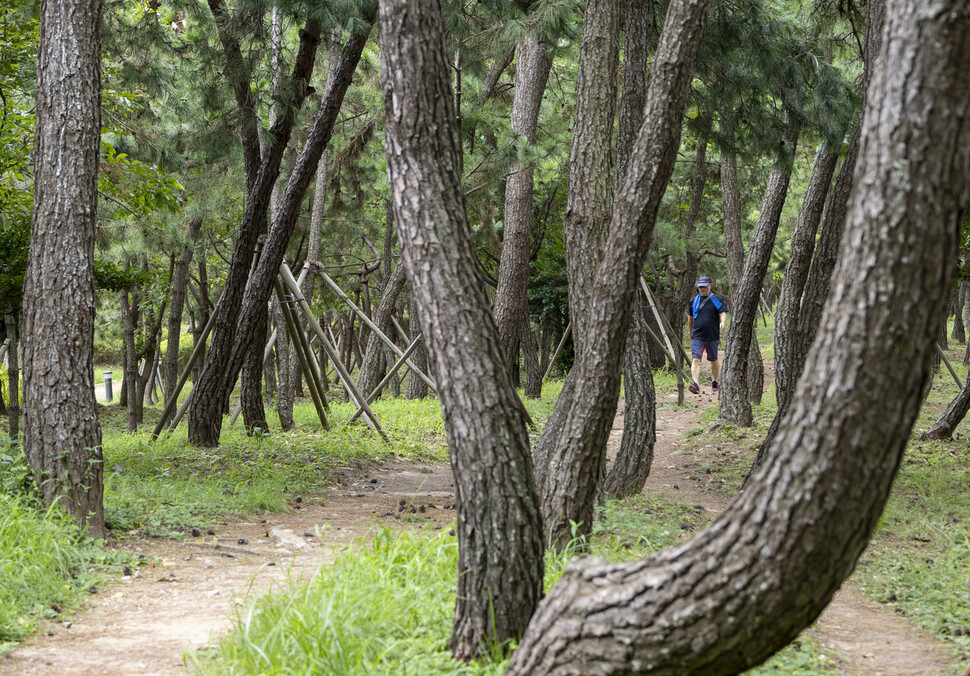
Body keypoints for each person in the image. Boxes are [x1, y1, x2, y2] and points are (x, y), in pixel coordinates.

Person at [686, 276, 727, 394]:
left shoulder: (716, 299)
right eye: (700, 287)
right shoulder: (693, 301)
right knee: (695, 359)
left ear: (710, 286)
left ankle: (715, 380)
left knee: (713, 359)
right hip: (697, 336)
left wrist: (722, 322)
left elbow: (723, 312)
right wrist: (690, 332)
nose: (702, 289)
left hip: (712, 335)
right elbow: (690, 318)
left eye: (704, 286)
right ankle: (696, 383)